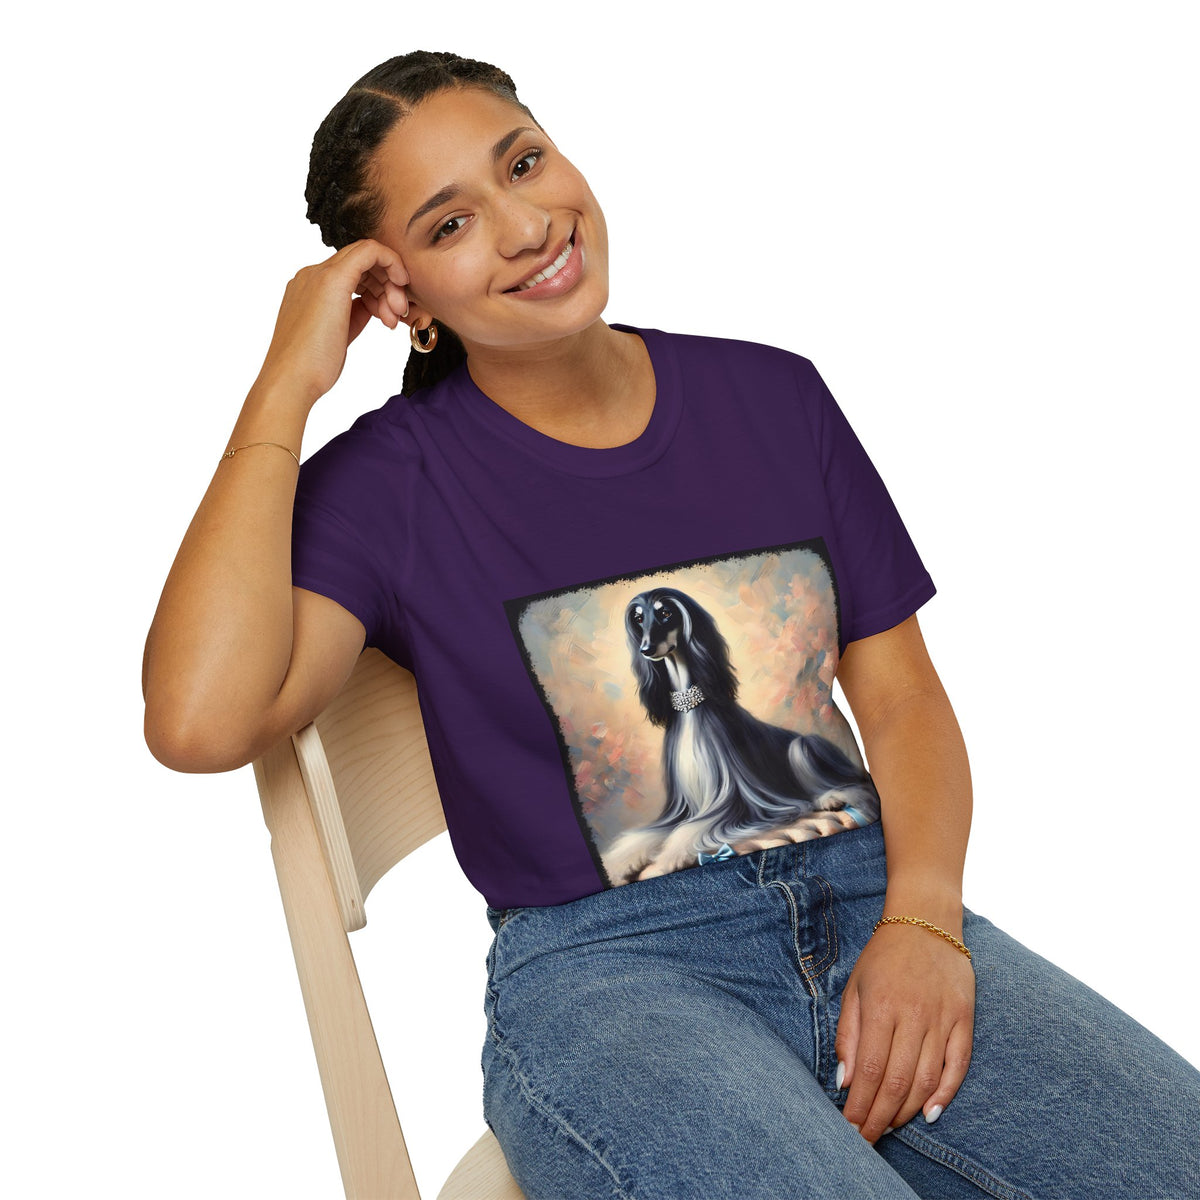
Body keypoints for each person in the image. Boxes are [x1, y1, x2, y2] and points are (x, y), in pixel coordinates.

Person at [142, 50, 1200, 1199]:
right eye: (451, 224)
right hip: (613, 975)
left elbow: (902, 701)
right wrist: (284, 385)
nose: (526, 226)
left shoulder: (775, 397)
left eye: (524, 164)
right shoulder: (392, 483)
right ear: (404, 299)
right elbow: (199, 721)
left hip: (875, 899)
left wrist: (926, 923)